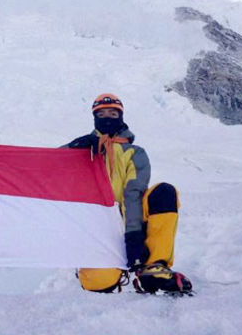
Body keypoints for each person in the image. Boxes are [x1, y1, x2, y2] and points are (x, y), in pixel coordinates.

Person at [65, 93, 192, 294]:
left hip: (129, 220)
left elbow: (133, 193)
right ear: (95, 117)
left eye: (113, 112)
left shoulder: (135, 153)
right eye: (102, 113)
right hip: (96, 226)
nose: (107, 117)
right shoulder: (84, 147)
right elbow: (47, 169)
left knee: (164, 192)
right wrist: (70, 149)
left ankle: (153, 265)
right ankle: (104, 266)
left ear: (121, 116)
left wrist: (133, 236)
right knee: (98, 284)